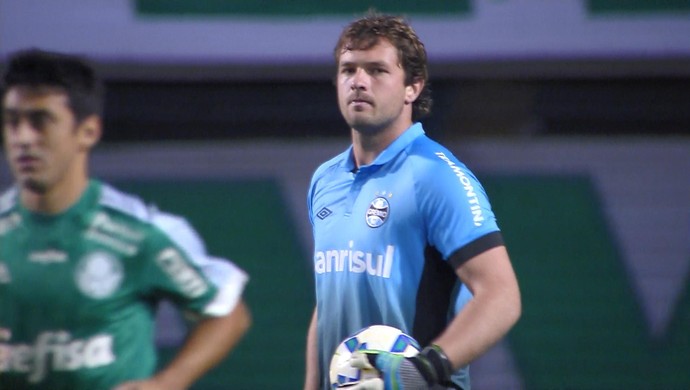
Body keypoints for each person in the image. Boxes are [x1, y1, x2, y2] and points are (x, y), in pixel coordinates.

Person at [0, 49, 251, 389]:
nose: (23, 138)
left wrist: (167, 382)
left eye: (40, 121)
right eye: (12, 121)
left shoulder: (140, 232)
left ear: (87, 131)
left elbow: (227, 312)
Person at [304, 12, 521, 390]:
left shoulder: (434, 175)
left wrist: (422, 371)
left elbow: (501, 295)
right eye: (348, 69)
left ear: (413, 87)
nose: (358, 82)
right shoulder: (325, 179)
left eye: (377, 71)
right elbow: (328, 302)